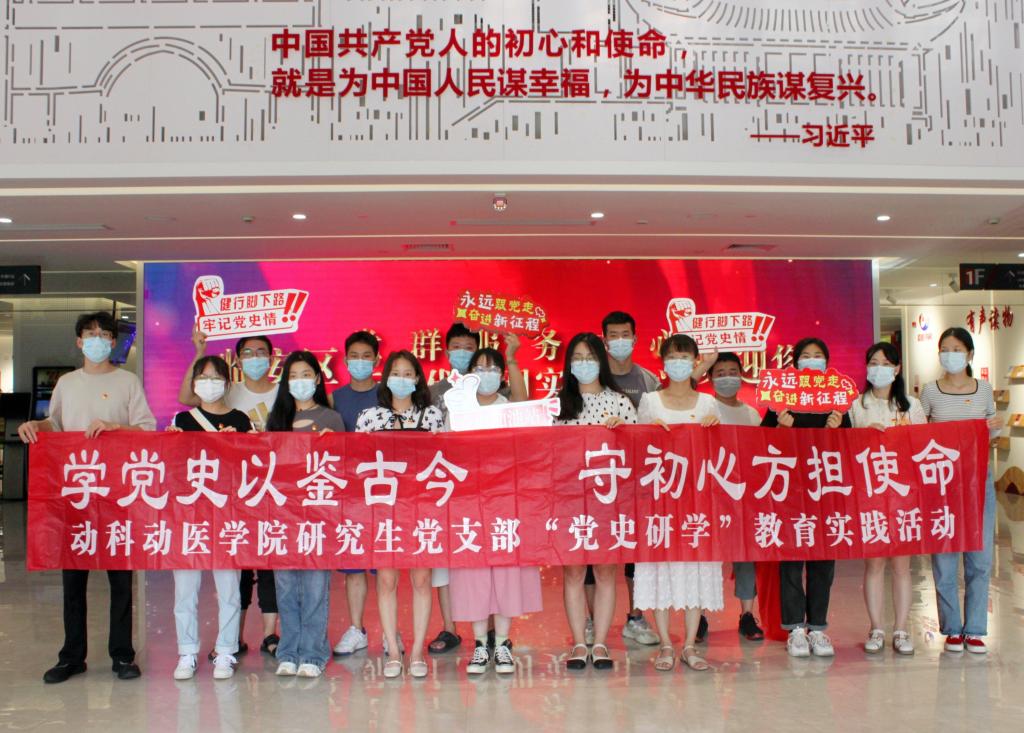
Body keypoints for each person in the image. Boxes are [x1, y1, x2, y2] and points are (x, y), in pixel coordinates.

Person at [18, 311, 156, 684]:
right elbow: (55, 424)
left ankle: (122, 654)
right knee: (73, 577)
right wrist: (35, 425)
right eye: (90, 334)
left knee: (121, 579)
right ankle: (71, 656)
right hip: (76, 492)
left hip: (118, 494)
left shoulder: (128, 382)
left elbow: (147, 430)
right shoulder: (67, 383)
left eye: (104, 334)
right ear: (79, 342)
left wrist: (115, 427)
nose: (97, 340)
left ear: (113, 342)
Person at [179, 328, 280, 659]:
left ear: (272, 357)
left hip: (266, 488)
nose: (255, 358)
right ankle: (231, 640)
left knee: (267, 562)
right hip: (221, 500)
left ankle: (269, 634)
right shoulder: (229, 391)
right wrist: (198, 353)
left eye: (261, 352)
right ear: (237, 361)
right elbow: (187, 399)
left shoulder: (282, 392)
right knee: (235, 570)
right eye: (247, 353)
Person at [447, 341, 540, 675]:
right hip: (468, 504)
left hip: (505, 503)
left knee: (506, 571)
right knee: (472, 572)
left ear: (501, 375)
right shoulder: (457, 410)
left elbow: (526, 418)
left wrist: (513, 358)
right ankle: (478, 645)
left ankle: (501, 643)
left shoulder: (508, 408)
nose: (486, 374)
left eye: (492, 368)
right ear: (468, 375)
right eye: (479, 368)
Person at [634, 334, 723, 672]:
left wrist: (714, 431)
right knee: (660, 570)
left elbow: (719, 453)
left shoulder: (708, 404)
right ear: (663, 362)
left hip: (697, 502)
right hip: (659, 503)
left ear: (696, 362)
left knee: (696, 571)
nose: (678, 363)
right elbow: (637, 450)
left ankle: (688, 645)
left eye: (685, 357)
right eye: (672, 356)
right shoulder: (650, 401)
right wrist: (648, 433)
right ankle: (666, 645)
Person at [356, 350, 445, 678]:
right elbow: (355, 462)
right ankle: (394, 651)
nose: (402, 379)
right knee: (387, 581)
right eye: (397, 373)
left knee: (421, 580)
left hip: (423, 510)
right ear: (386, 378)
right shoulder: (369, 418)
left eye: (409, 374)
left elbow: (446, 459)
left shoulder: (433, 416)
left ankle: (418, 651)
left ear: (418, 379)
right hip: (383, 510)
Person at [761, 337, 850, 658]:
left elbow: (850, 450)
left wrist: (835, 432)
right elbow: (762, 445)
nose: (812, 361)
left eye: (818, 356)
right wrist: (782, 430)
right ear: (795, 364)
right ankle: (796, 629)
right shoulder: (780, 400)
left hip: (826, 492)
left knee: (823, 561)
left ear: (827, 364)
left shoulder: (837, 404)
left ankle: (818, 628)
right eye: (806, 356)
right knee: (791, 560)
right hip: (790, 492)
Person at [555, 332, 637, 670]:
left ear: (601, 361)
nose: (584, 364)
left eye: (590, 357)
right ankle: (579, 642)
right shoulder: (557, 403)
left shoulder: (619, 403)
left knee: (605, 572)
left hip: (608, 501)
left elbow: (637, 454)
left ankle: (600, 642)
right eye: (577, 358)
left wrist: (623, 432)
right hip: (569, 500)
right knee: (573, 573)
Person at [166, 356, 250, 680]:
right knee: (185, 589)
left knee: (229, 589)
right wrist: (169, 443)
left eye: (216, 378)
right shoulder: (182, 420)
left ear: (227, 384)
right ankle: (186, 651)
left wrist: (239, 443)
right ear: (193, 384)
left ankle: (226, 651)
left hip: (227, 515)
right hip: (189, 516)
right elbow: (171, 469)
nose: (209, 383)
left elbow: (254, 465)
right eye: (203, 377)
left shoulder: (240, 420)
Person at [921, 327, 1001, 654]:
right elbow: (918, 434)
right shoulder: (930, 391)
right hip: (940, 483)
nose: (949, 354)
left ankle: (976, 629)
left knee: (979, 557)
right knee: (944, 556)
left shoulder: (984, 390)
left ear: (969, 354)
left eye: (956, 349)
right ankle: (952, 629)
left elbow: (991, 429)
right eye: (945, 348)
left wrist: (993, 428)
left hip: (978, 480)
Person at [268, 351, 343, 678]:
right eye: (293, 376)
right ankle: (288, 651)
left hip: (319, 514)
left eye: (306, 375)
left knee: (314, 586)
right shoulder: (277, 418)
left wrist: (334, 445)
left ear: (317, 378)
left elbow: (343, 467)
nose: (300, 381)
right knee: (285, 586)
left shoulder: (331, 418)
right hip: (283, 514)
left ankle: (313, 653)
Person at [848, 341, 927, 655]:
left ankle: (902, 629)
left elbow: (923, 447)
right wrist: (863, 436)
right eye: (873, 363)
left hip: (904, 496)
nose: (878, 369)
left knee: (902, 567)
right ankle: (877, 628)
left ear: (897, 369)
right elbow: (844, 449)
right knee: (874, 565)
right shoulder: (857, 406)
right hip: (870, 495)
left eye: (884, 363)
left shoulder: (911, 405)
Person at [599, 311, 661, 647]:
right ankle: (592, 620)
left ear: (635, 339)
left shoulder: (648, 380)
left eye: (625, 334)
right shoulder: (594, 376)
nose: (620, 340)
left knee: (636, 551)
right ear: (604, 339)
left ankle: (636, 617)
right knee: (595, 549)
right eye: (613, 335)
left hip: (639, 479)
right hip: (599, 478)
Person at [426, 323, 480, 654]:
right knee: (442, 559)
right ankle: (449, 628)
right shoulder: (433, 392)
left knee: (481, 555)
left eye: (468, 348)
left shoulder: (489, 389)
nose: (462, 353)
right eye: (457, 347)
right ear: (446, 352)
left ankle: (488, 631)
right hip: (442, 485)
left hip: (480, 486)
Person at [330, 331, 382, 657]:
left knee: (386, 568)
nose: (360, 361)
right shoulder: (335, 398)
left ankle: (390, 631)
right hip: (348, 494)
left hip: (383, 492)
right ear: (346, 359)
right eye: (354, 356)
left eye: (367, 356)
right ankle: (356, 628)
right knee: (353, 567)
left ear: (376, 360)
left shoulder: (388, 395)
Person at [709, 352, 765, 642]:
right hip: (711, 494)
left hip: (744, 495)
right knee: (708, 557)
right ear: (710, 378)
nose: (727, 378)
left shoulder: (752, 414)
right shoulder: (705, 408)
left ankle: (747, 614)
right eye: (720, 373)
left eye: (732, 372)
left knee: (746, 556)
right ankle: (701, 616)